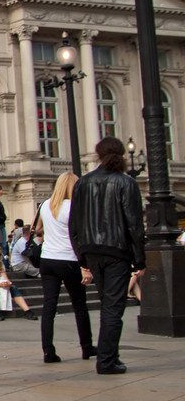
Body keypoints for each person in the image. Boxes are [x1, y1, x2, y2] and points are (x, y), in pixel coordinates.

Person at [69, 137, 145, 375]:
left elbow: (74, 224)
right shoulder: (126, 182)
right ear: (122, 155)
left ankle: (108, 355)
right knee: (114, 306)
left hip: (92, 250)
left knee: (107, 303)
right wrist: (139, 256)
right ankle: (107, 360)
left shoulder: (83, 183)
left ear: (98, 155)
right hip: (117, 250)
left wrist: (81, 254)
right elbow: (134, 223)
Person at [34, 171, 95, 364]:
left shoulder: (45, 205)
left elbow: (37, 230)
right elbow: (81, 236)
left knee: (49, 306)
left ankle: (48, 351)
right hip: (69, 259)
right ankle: (86, 347)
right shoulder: (74, 207)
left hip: (47, 259)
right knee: (79, 305)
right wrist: (86, 266)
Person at [0, 245, 39, 321]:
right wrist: (0, 284)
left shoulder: (0, 264)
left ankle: (27, 310)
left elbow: (5, 278)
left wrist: (8, 283)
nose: (0, 257)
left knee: (13, 288)